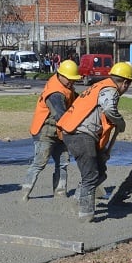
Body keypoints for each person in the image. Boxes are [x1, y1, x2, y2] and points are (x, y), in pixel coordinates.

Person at [57, 61, 132, 222]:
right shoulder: (110, 90)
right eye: (128, 84)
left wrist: (101, 150)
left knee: (99, 171)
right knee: (91, 176)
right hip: (79, 133)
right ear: (125, 83)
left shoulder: (100, 85)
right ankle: (85, 215)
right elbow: (109, 109)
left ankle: (77, 200)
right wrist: (120, 122)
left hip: (80, 133)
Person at [21, 59, 81, 201]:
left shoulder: (65, 86)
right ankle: (24, 192)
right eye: (70, 79)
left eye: (74, 80)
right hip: (45, 132)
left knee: (63, 163)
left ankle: (60, 193)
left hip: (59, 132)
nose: (72, 82)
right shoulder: (55, 93)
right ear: (61, 75)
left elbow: (75, 100)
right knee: (39, 163)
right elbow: (61, 116)